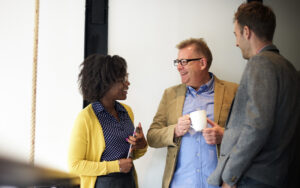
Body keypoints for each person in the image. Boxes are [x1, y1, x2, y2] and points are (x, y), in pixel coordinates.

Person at [207, 2, 300, 188]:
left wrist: (230, 176)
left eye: (236, 34)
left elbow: (257, 126)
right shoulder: (290, 69)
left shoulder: (260, 63)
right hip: (282, 176)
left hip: (253, 178)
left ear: (247, 32)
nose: (236, 42)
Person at [147, 38, 238, 188]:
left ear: (202, 63)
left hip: (220, 184)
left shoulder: (233, 91)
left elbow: (250, 136)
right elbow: (152, 137)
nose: (179, 67)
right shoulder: (170, 94)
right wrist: (175, 130)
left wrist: (224, 136)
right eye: (177, 62)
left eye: (183, 62)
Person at [68, 54, 148, 188]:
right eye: (122, 79)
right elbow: (75, 165)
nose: (127, 83)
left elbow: (129, 157)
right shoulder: (86, 118)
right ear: (105, 83)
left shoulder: (126, 111)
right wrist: (115, 166)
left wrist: (141, 145)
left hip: (128, 182)